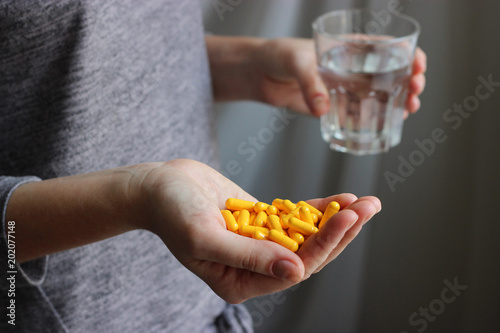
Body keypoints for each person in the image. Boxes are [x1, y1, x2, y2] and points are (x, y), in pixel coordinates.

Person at [0, 1, 426, 332]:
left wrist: (249, 64)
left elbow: (91, 43)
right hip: (68, 313)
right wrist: (134, 195)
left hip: (201, 307)